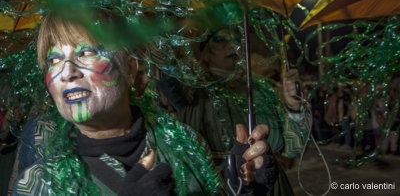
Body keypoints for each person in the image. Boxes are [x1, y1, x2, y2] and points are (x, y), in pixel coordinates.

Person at [12, 12, 278, 196]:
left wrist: (241, 185)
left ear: (130, 68)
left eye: (86, 52)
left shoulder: (185, 142)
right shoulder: (40, 183)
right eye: (54, 60)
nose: (67, 72)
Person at [159, 28, 309, 195]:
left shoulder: (262, 90)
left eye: (236, 39)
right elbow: (167, 76)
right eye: (220, 40)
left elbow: (293, 149)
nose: (231, 45)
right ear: (204, 53)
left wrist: (295, 108)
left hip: (271, 187)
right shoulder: (193, 91)